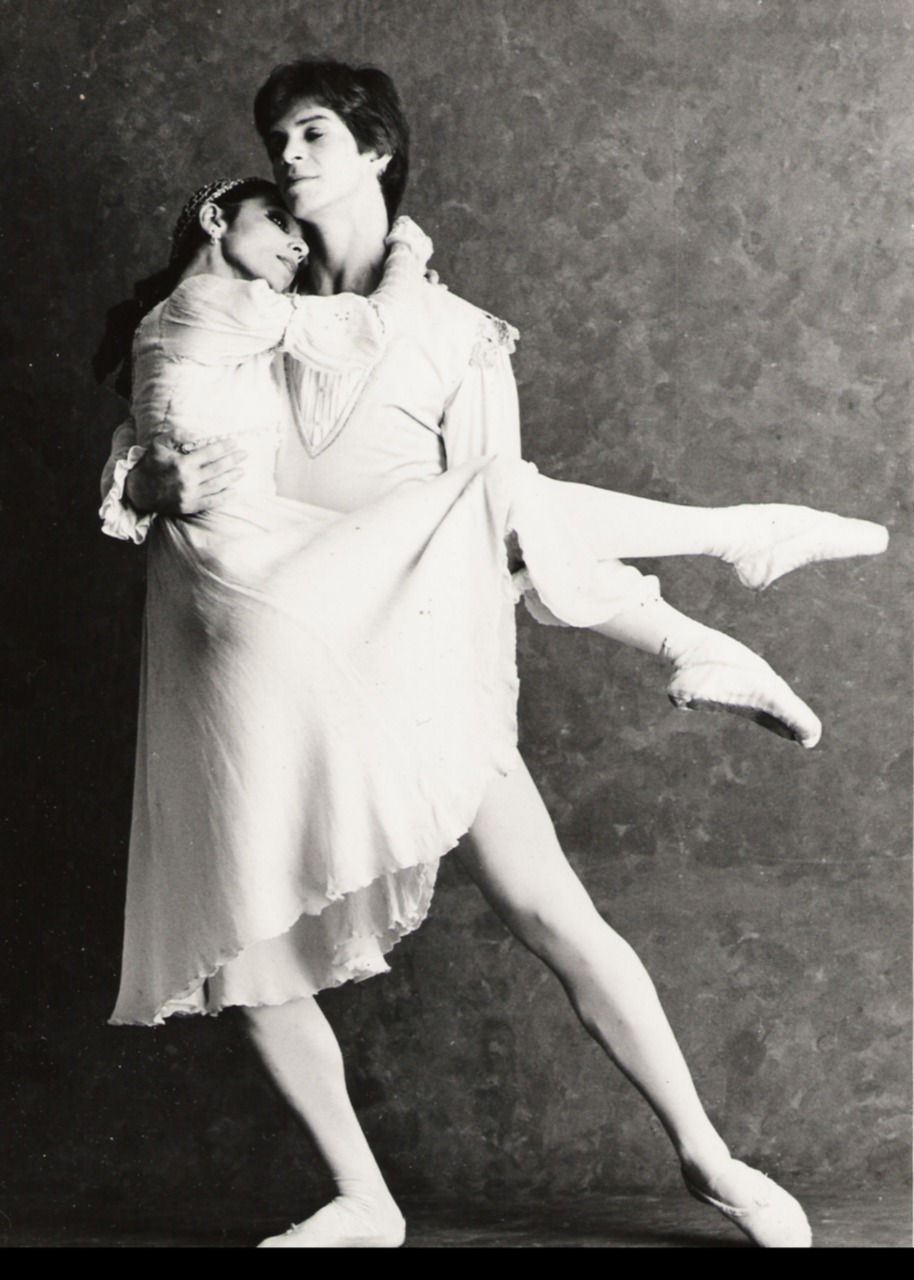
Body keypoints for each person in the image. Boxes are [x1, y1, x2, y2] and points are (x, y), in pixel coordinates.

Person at [98, 60, 888, 1249]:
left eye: (312, 134)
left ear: (376, 153)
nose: (288, 157)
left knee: (549, 907)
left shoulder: (456, 334)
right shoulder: (252, 297)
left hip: (410, 659)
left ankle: (709, 1157)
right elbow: (158, 423)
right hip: (266, 657)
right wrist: (145, 479)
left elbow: (514, 532)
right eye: (275, 140)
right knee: (247, 951)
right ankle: (363, 1196)